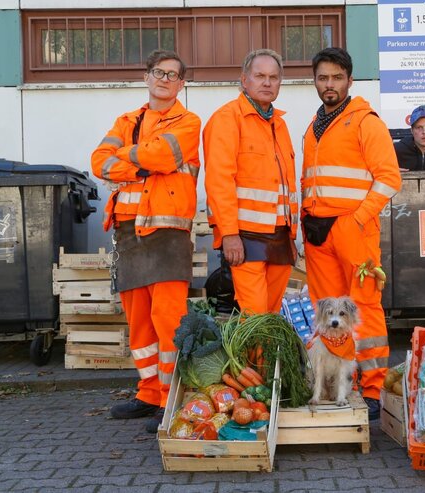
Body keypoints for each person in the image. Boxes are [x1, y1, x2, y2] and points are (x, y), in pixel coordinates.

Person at [91, 50, 201, 433]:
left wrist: (130, 163)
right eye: (159, 72)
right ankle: (148, 393)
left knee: (168, 321)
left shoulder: (188, 122)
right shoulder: (125, 121)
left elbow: (166, 155)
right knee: (139, 324)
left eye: (173, 75)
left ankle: (172, 396)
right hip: (127, 232)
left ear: (181, 84)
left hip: (168, 234)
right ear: (146, 76)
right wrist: (142, 163)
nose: (165, 79)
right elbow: (99, 161)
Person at [301, 47, 402, 421]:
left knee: (364, 309)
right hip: (317, 233)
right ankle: (336, 388)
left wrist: (357, 219)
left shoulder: (365, 121)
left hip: (353, 231)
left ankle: (373, 389)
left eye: (336, 78)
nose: (329, 84)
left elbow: (390, 177)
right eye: (323, 78)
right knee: (328, 311)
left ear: (349, 80)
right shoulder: (314, 126)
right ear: (315, 81)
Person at [203, 49, 298, 315]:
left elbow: (286, 186)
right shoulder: (226, 119)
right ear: (244, 80)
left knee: (271, 313)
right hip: (245, 238)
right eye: (260, 76)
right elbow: (219, 181)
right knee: (254, 314)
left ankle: (266, 359)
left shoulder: (279, 124)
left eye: (274, 77)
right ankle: (252, 360)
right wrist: (230, 235)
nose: (267, 82)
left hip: (279, 238)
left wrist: (291, 236)